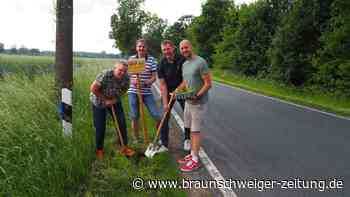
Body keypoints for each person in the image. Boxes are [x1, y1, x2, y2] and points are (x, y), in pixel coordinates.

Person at [175, 40, 212, 172]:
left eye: (186, 47)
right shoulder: (185, 64)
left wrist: (198, 95)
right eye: (182, 48)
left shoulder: (201, 62)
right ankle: (191, 154)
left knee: (195, 131)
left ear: (191, 47)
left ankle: (195, 160)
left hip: (198, 103)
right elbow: (185, 82)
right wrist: (177, 91)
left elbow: (208, 83)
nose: (184, 50)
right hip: (188, 102)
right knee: (189, 129)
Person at [90, 61, 134, 160]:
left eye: (124, 71)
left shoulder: (126, 78)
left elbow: (124, 90)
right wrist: (105, 100)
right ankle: (99, 150)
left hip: (114, 100)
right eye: (120, 70)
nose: (122, 73)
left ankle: (124, 146)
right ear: (114, 69)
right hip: (98, 101)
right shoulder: (105, 75)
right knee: (100, 127)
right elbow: (93, 88)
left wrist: (115, 99)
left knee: (121, 122)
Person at [158, 40, 191, 151]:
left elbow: (186, 79)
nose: (166, 52)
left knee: (187, 114)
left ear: (173, 48)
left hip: (182, 90)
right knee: (164, 115)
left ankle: (187, 139)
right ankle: (164, 143)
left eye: (168, 49)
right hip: (168, 91)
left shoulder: (182, 60)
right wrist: (165, 103)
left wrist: (178, 90)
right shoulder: (161, 64)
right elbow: (162, 85)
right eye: (164, 50)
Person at [128, 39, 162, 145]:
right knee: (134, 116)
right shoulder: (132, 59)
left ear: (146, 48)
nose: (141, 48)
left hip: (146, 91)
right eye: (139, 46)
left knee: (156, 115)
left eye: (143, 46)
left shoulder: (152, 60)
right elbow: (128, 75)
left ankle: (159, 138)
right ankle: (136, 139)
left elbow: (153, 77)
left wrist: (146, 82)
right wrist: (133, 80)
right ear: (136, 47)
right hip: (133, 91)